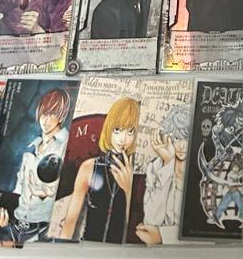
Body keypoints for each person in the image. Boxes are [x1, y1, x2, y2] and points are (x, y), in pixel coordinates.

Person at [0, 86, 72, 244]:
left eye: (53, 114)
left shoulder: (66, 146)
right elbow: (19, 190)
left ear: (62, 115)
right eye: (44, 113)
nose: (46, 120)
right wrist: (3, 213)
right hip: (16, 228)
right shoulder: (31, 149)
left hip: (45, 231)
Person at [56, 96, 138, 243]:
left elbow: (132, 231)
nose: (123, 139)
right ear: (109, 128)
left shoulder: (137, 174)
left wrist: (128, 190)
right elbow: (70, 222)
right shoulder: (89, 167)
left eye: (130, 131)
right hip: (88, 247)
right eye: (117, 130)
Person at [133, 102, 191, 245]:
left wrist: (162, 236)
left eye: (187, 138)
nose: (182, 145)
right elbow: (151, 221)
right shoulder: (156, 167)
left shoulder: (201, 167)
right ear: (168, 138)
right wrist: (167, 164)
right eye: (177, 138)